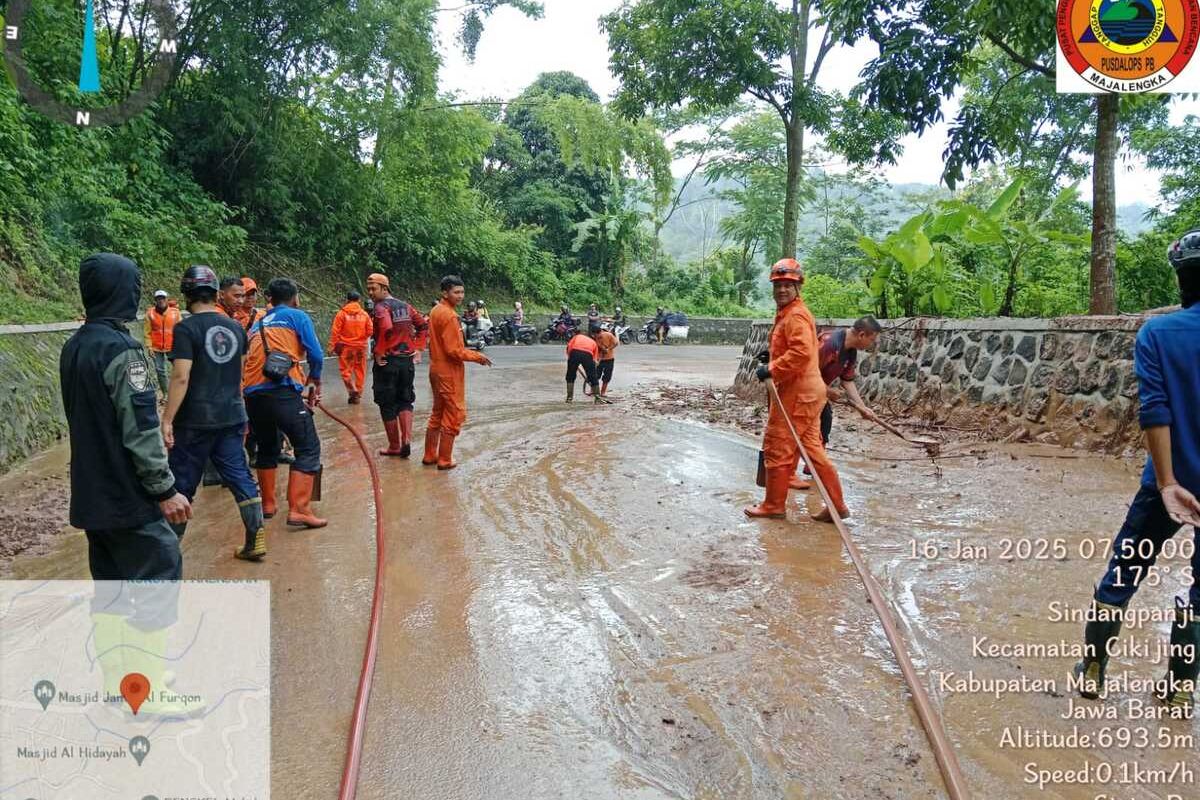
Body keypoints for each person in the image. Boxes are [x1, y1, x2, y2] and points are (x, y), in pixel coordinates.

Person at [1073, 231, 1200, 710]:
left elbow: (1156, 410)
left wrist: (1168, 483)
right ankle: (1179, 688)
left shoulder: (1157, 334)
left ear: (1180, 279)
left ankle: (1093, 670)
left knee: (1124, 571)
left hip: (1164, 487)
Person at [59, 253, 191, 580]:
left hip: (92, 498)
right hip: (128, 500)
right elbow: (142, 428)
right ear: (121, 291)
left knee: (110, 595)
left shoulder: (73, 347)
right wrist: (164, 490)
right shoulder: (123, 351)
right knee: (159, 576)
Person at [160, 266, 265, 562]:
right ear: (216, 293)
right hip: (232, 414)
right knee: (240, 475)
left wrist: (167, 419)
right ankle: (255, 538)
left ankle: (168, 552)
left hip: (194, 419)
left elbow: (181, 376)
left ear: (187, 294)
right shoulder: (235, 328)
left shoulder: (185, 328)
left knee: (182, 482)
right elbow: (240, 372)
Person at [746, 258, 849, 523]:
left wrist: (772, 369)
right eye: (778, 285)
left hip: (798, 394)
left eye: (787, 285)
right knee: (812, 450)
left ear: (798, 287)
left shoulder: (796, 315)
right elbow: (796, 347)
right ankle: (837, 505)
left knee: (778, 446)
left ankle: (773, 505)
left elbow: (802, 352)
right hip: (808, 393)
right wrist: (773, 354)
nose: (781, 290)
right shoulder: (789, 314)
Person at [243, 278, 327, 528]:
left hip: (253, 395)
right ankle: (300, 509)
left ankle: (268, 505)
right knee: (308, 447)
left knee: (267, 447)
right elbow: (316, 354)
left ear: (270, 299)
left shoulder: (257, 323)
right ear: (295, 298)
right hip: (280, 391)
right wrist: (314, 380)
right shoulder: (296, 316)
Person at [790, 316, 883, 490]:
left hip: (818, 391)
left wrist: (862, 408)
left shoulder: (851, 351)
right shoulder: (828, 344)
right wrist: (828, 391)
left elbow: (847, 380)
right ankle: (789, 473)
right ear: (862, 334)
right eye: (872, 339)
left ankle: (812, 465)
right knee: (800, 429)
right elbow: (804, 372)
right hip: (800, 389)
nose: (872, 344)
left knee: (825, 422)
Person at [423, 275, 492, 470]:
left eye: (462, 292)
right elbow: (454, 350)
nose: (460, 296)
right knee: (453, 414)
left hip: (435, 370)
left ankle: (430, 455)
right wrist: (477, 357)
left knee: (438, 411)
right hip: (448, 372)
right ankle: (444, 459)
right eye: (456, 292)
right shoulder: (449, 315)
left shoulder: (436, 310)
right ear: (445, 293)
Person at [366, 274, 429, 457]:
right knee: (405, 400)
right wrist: (418, 348)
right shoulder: (406, 306)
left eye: (374, 289)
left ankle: (394, 446)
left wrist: (379, 351)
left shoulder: (380, 307)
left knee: (387, 403)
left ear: (385, 289)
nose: (370, 292)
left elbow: (386, 327)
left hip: (387, 362)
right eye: (369, 289)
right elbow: (423, 326)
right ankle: (406, 440)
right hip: (406, 361)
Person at [331, 290, 373, 405]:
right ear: (359, 300)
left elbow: (335, 332)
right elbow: (370, 331)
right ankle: (358, 393)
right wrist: (361, 338)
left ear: (347, 300)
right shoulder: (364, 314)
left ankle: (352, 389)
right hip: (360, 348)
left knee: (346, 371)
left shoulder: (341, 314)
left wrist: (332, 347)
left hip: (346, 347)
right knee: (360, 370)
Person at [144, 289, 181, 396]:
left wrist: (180, 344)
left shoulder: (175, 312)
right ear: (155, 300)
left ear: (167, 299)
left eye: (163, 298)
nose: (161, 300)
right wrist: (149, 346)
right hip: (156, 347)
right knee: (160, 370)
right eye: (158, 298)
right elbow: (147, 331)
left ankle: (179, 391)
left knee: (179, 367)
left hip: (172, 346)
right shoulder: (150, 313)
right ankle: (166, 393)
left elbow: (181, 329)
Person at [566, 322, 603, 404]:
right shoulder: (594, 343)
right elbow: (595, 361)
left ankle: (569, 398)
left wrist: (570, 359)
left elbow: (569, 347)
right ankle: (598, 398)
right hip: (587, 354)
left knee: (570, 376)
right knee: (593, 376)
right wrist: (592, 370)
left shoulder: (577, 337)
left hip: (574, 353)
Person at [594, 322, 619, 397]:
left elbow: (616, 343)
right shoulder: (595, 337)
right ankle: (593, 390)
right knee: (596, 375)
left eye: (596, 335)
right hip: (599, 359)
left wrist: (608, 349)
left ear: (599, 332)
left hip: (609, 359)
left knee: (607, 376)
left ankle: (603, 392)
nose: (596, 336)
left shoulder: (608, 335)